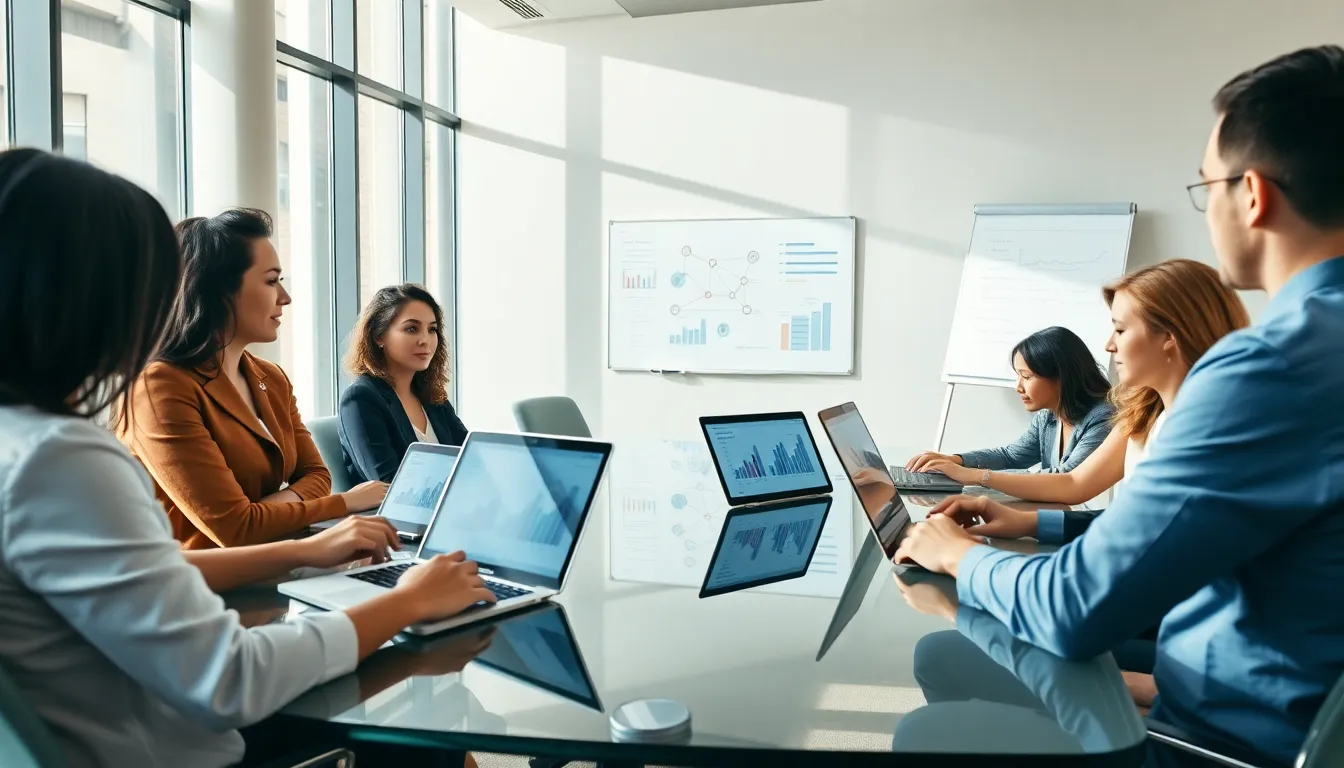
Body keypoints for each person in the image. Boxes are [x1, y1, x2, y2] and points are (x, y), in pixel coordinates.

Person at [895, 45, 1344, 766]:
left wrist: (957, 556)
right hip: (1283, 715)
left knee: (924, 734)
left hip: (1216, 742)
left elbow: (1074, 609)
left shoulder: (1273, 367)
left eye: (1207, 187)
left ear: (1252, 195)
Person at [0, 148, 496, 768]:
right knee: (408, 695)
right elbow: (229, 679)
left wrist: (308, 543)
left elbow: (154, 574)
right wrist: (407, 601)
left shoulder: (23, 444)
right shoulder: (59, 461)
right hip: (179, 744)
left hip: (136, 714)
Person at [119, 208, 388, 548]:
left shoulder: (271, 379)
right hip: (201, 588)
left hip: (277, 559)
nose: (285, 298)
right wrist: (345, 502)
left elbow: (318, 476)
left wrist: (261, 512)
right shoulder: (159, 387)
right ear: (217, 290)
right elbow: (235, 529)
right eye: (271, 281)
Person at [919, 260, 1250, 508]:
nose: (1109, 345)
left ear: (1169, 337)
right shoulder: (1142, 412)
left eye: (1120, 330)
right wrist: (1024, 521)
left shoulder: (1211, 430)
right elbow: (1078, 486)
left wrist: (976, 484)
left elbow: (1137, 537)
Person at [906, 326, 1114, 477]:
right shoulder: (1048, 417)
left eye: (1027, 376)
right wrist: (956, 460)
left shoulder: (1102, 417)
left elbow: (1065, 476)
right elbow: (1010, 457)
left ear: (1062, 377)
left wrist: (972, 475)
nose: (1018, 387)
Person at [339, 284, 468, 484]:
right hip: (393, 515)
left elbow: (471, 461)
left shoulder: (432, 395)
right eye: (411, 329)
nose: (425, 340)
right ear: (378, 336)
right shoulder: (360, 399)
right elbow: (389, 484)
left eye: (432, 329)